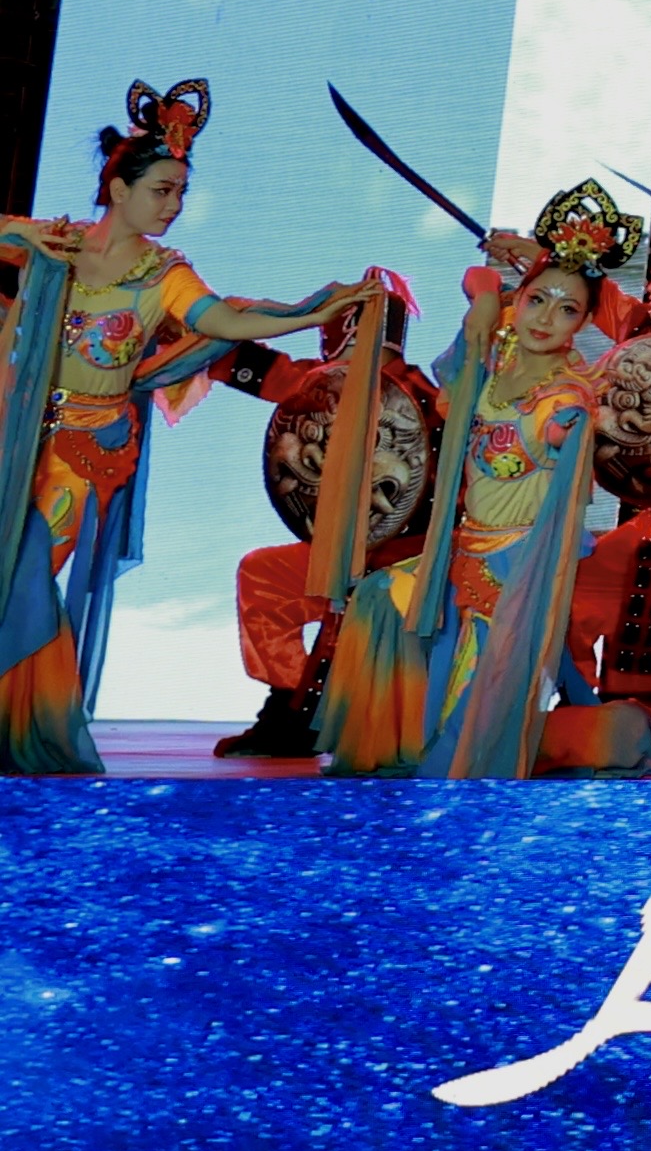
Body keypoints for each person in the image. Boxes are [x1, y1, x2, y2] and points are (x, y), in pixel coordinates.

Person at [1, 78, 379, 772]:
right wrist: (19, 231)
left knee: (26, 570)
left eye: (180, 191)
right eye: (162, 190)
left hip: (85, 450)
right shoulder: (55, 244)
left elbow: (227, 321)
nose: (174, 206)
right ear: (118, 189)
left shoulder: (164, 274)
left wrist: (311, 311)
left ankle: (25, 723)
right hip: (16, 437)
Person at [320, 185, 642, 778]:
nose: (546, 318)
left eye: (567, 309)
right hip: (462, 549)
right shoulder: (493, 359)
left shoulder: (566, 394)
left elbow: (560, 430)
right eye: (538, 299)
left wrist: (566, 431)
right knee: (379, 598)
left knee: (474, 690)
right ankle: (397, 750)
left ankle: (461, 781)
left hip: (517, 564)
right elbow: (476, 279)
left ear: (583, 322)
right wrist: (490, 293)